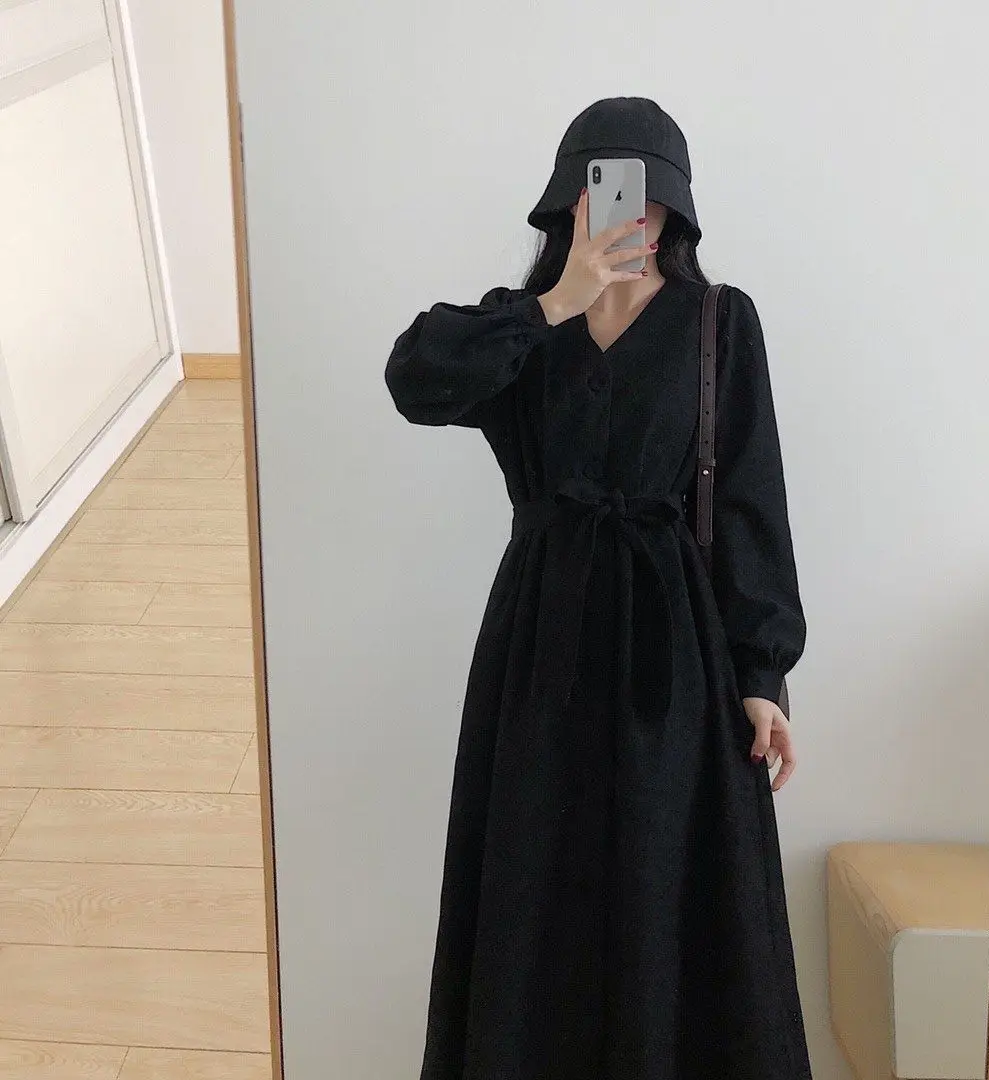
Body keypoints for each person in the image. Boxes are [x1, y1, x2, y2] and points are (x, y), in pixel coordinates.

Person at [385, 96, 811, 1080]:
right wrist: (554, 302)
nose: (631, 213)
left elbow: (751, 497)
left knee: (673, 889)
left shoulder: (719, 322)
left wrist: (763, 675)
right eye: (607, 192)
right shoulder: (519, 328)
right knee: (539, 887)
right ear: (566, 204)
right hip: (541, 647)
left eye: (650, 196)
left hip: (678, 651)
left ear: (677, 210)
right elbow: (414, 381)